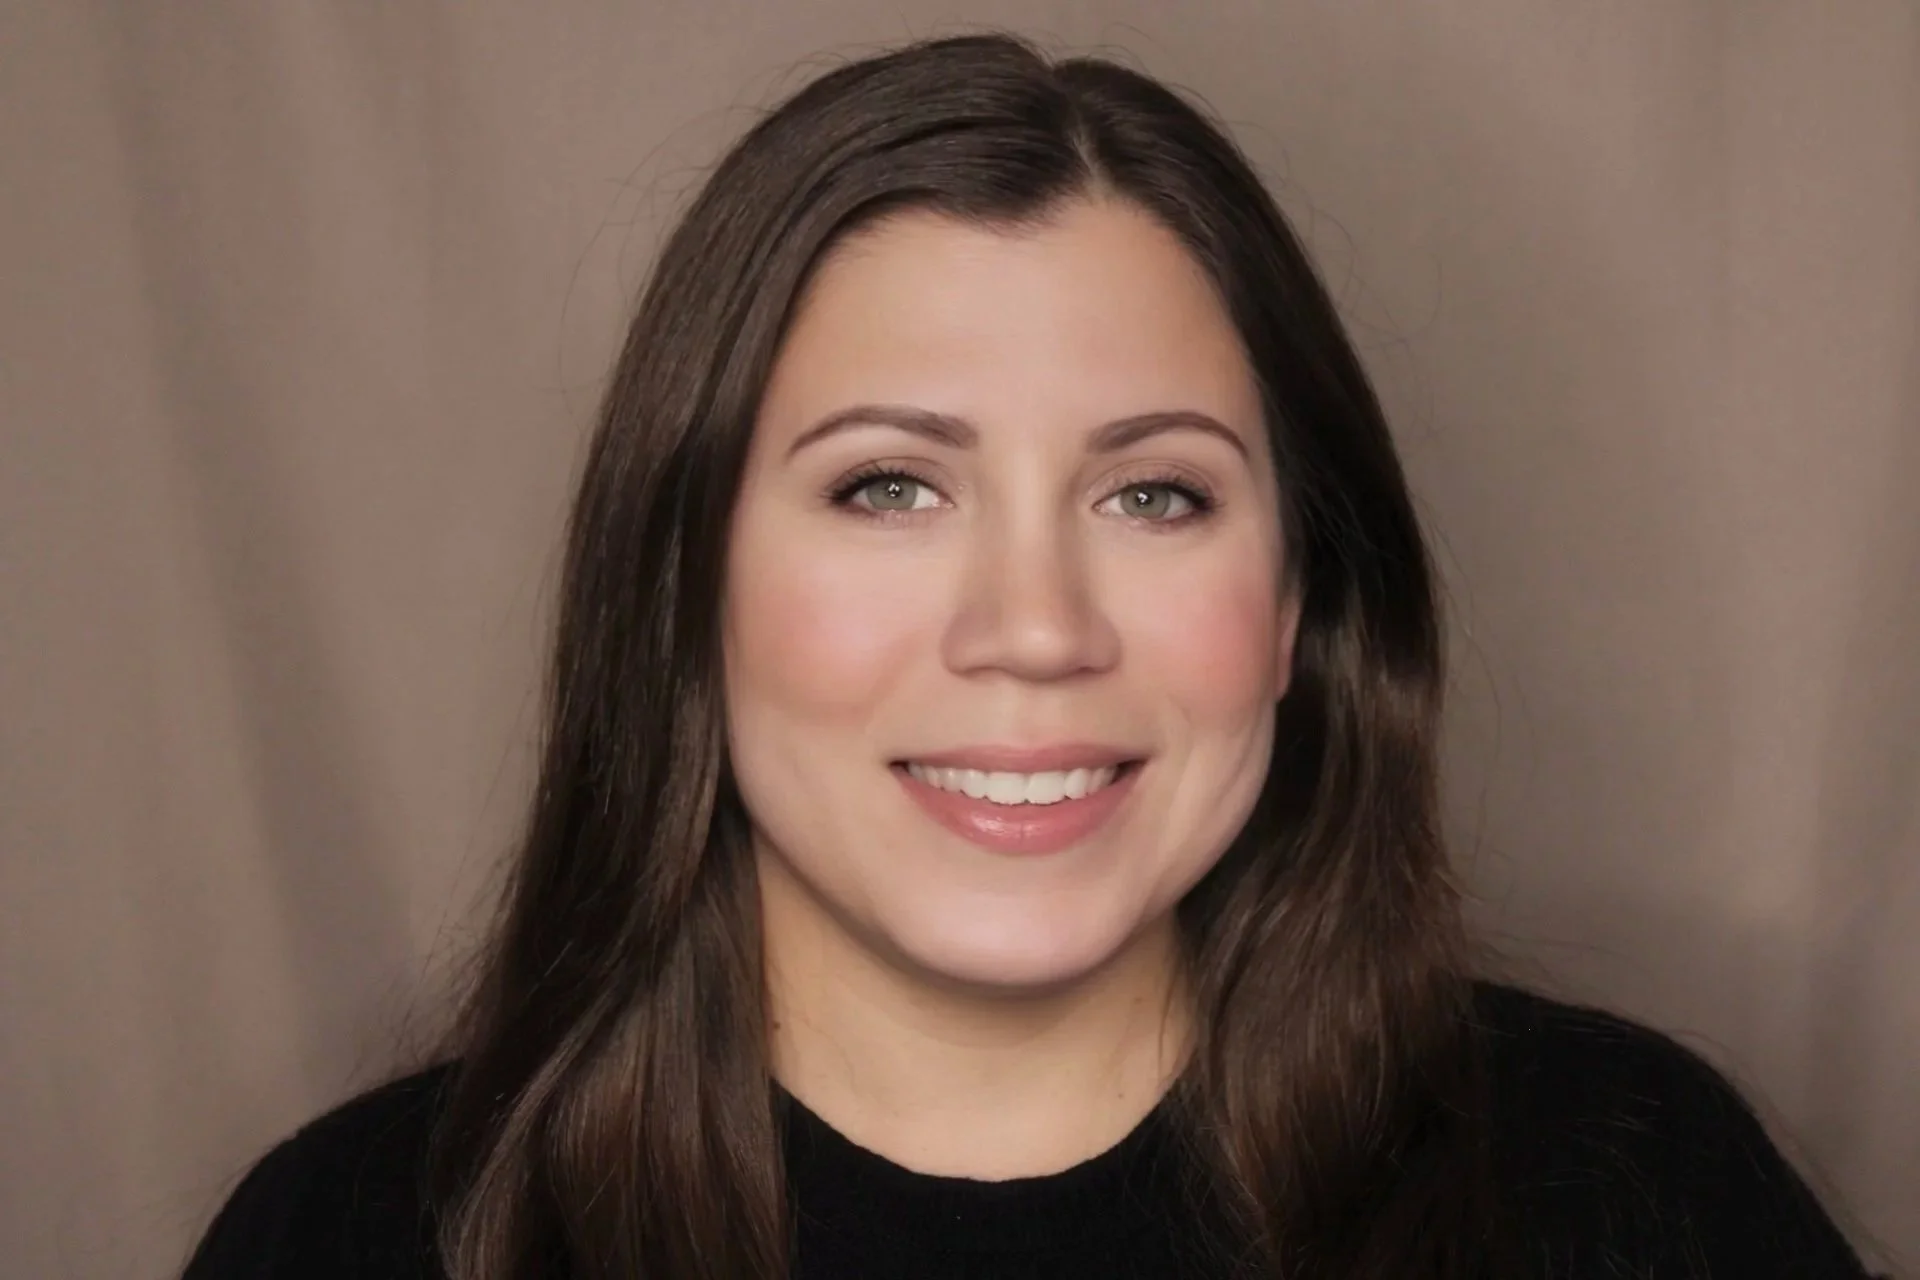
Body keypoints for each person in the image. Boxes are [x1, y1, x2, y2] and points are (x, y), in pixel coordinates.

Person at [181, 32, 1872, 1280]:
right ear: (685, 590)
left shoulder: (1634, 1197)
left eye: (1153, 493)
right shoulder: (352, 1239)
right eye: (891, 486)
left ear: (1296, 608)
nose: (1037, 630)